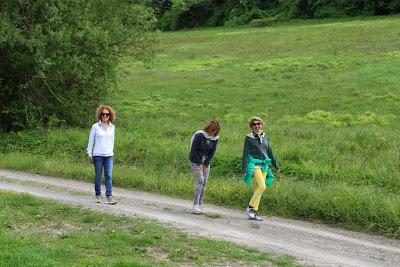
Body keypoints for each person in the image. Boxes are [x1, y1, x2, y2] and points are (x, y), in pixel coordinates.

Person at [242, 117, 280, 221]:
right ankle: (250, 208)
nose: (257, 126)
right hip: (254, 165)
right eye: (254, 124)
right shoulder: (249, 138)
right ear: (251, 127)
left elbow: (270, 152)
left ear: (262, 125)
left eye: (259, 123)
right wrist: (244, 170)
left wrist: (276, 166)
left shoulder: (265, 137)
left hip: (264, 166)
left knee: (259, 188)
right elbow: (245, 154)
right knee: (262, 186)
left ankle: (254, 212)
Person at [87, 105, 117, 205]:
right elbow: (91, 141)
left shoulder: (112, 127)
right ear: (100, 115)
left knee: (108, 175)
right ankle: (98, 195)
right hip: (98, 155)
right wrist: (89, 153)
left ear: (110, 115)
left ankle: (109, 196)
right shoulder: (95, 127)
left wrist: (111, 152)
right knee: (98, 176)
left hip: (109, 155)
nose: (105, 116)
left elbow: (112, 141)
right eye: (103, 114)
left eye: (107, 114)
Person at [189, 120, 220, 214]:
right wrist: (200, 164)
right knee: (200, 180)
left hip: (205, 162)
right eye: (211, 130)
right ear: (207, 128)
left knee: (205, 182)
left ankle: (200, 205)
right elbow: (193, 151)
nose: (212, 132)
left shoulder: (215, 138)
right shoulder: (199, 136)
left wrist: (206, 163)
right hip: (195, 160)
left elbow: (212, 152)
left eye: (214, 131)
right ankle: (195, 205)